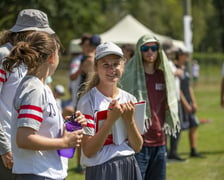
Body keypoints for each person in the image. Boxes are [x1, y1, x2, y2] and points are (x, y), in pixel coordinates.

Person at [3, 31, 86, 180]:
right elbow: (24, 138)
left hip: (45, 173)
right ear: (52, 57)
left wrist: (70, 124)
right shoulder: (34, 89)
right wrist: (63, 142)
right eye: (59, 54)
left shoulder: (43, 88)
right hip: (37, 173)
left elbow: (44, 128)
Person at [0, 9, 55, 180]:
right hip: (7, 148)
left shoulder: (33, 59)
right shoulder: (4, 55)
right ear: (26, 32)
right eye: (40, 32)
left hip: (26, 148)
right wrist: (3, 147)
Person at [76, 41, 143, 180]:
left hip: (129, 164)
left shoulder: (130, 99)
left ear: (123, 66)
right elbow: (88, 151)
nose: (112, 69)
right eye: (105, 64)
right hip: (102, 168)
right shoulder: (87, 102)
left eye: (116, 64)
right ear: (96, 67)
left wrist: (129, 121)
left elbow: (137, 147)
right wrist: (110, 120)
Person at [120, 34, 180, 180]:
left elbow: (169, 103)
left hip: (160, 141)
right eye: (145, 48)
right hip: (138, 142)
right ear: (139, 51)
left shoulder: (163, 75)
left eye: (154, 48)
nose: (150, 52)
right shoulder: (128, 76)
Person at [175, 48, 204, 158]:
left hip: (189, 102)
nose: (187, 56)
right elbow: (178, 89)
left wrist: (194, 102)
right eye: (185, 54)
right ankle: (172, 152)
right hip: (181, 103)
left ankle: (193, 150)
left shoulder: (186, 69)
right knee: (178, 129)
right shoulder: (175, 68)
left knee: (194, 124)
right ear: (180, 55)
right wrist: (185, 104)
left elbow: (189, 87)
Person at [164, 45, 186, 162]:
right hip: (170, 99)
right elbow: (172, 73)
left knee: (177, 126)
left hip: (175, 98)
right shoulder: (165, 61)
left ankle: (172, 151)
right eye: (171, 51)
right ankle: (168, 152)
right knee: (169, 126)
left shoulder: (170, 62)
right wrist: (177, 71)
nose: (173, 54)